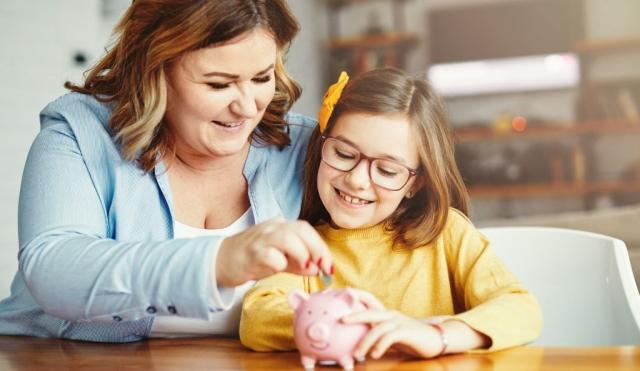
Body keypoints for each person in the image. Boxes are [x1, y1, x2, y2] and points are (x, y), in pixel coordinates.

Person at [0, 0, 333, 342]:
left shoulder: (303, 148)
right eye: (219, 84)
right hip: (55, 359)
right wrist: (219, 260)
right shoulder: (79, 131)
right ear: (155, 69)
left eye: (262, 77)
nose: (247, 108)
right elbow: (54, 270)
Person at [239, 68, 542, 358]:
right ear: (322, 147)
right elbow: (257, 318)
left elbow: (520, 308)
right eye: (343, 154)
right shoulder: (305, 245)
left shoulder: (447, 233)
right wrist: (352, 325)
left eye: (386, 170)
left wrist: (438, 335)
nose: (357, 180)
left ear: (415, 182)